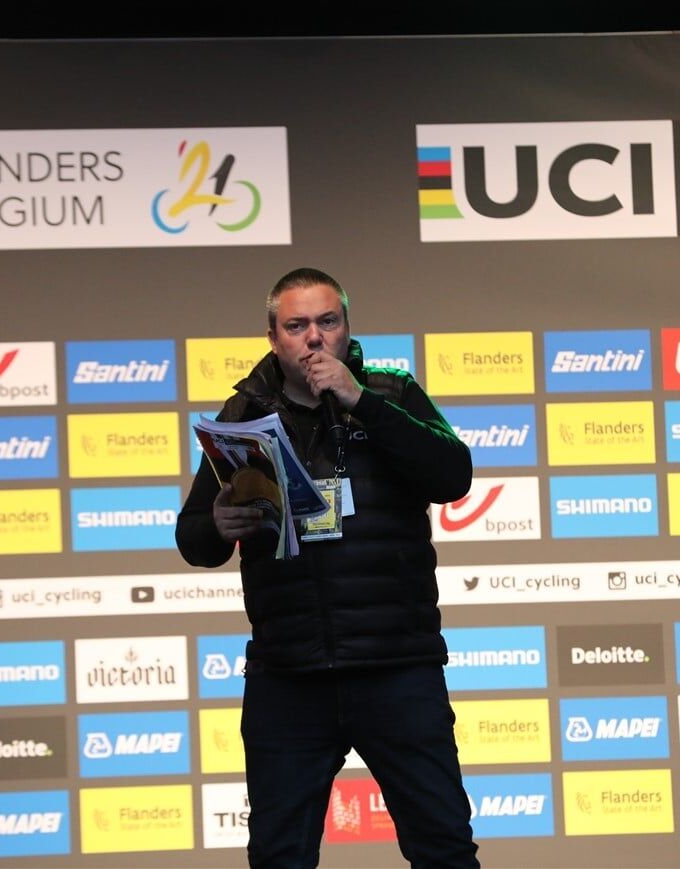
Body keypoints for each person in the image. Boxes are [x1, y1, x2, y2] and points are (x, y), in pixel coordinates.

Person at [177, 267, 480, 868]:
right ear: (273, 338)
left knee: (443, 848)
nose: (313, 337)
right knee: (279, 856)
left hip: (397, 666)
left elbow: (453, 477)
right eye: (296, 326)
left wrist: (360, 400)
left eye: (327, 322)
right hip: (289, 675)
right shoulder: (242, 415)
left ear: (346, 328)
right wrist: (218, 522)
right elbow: (194, 540)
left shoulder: (391, 393)